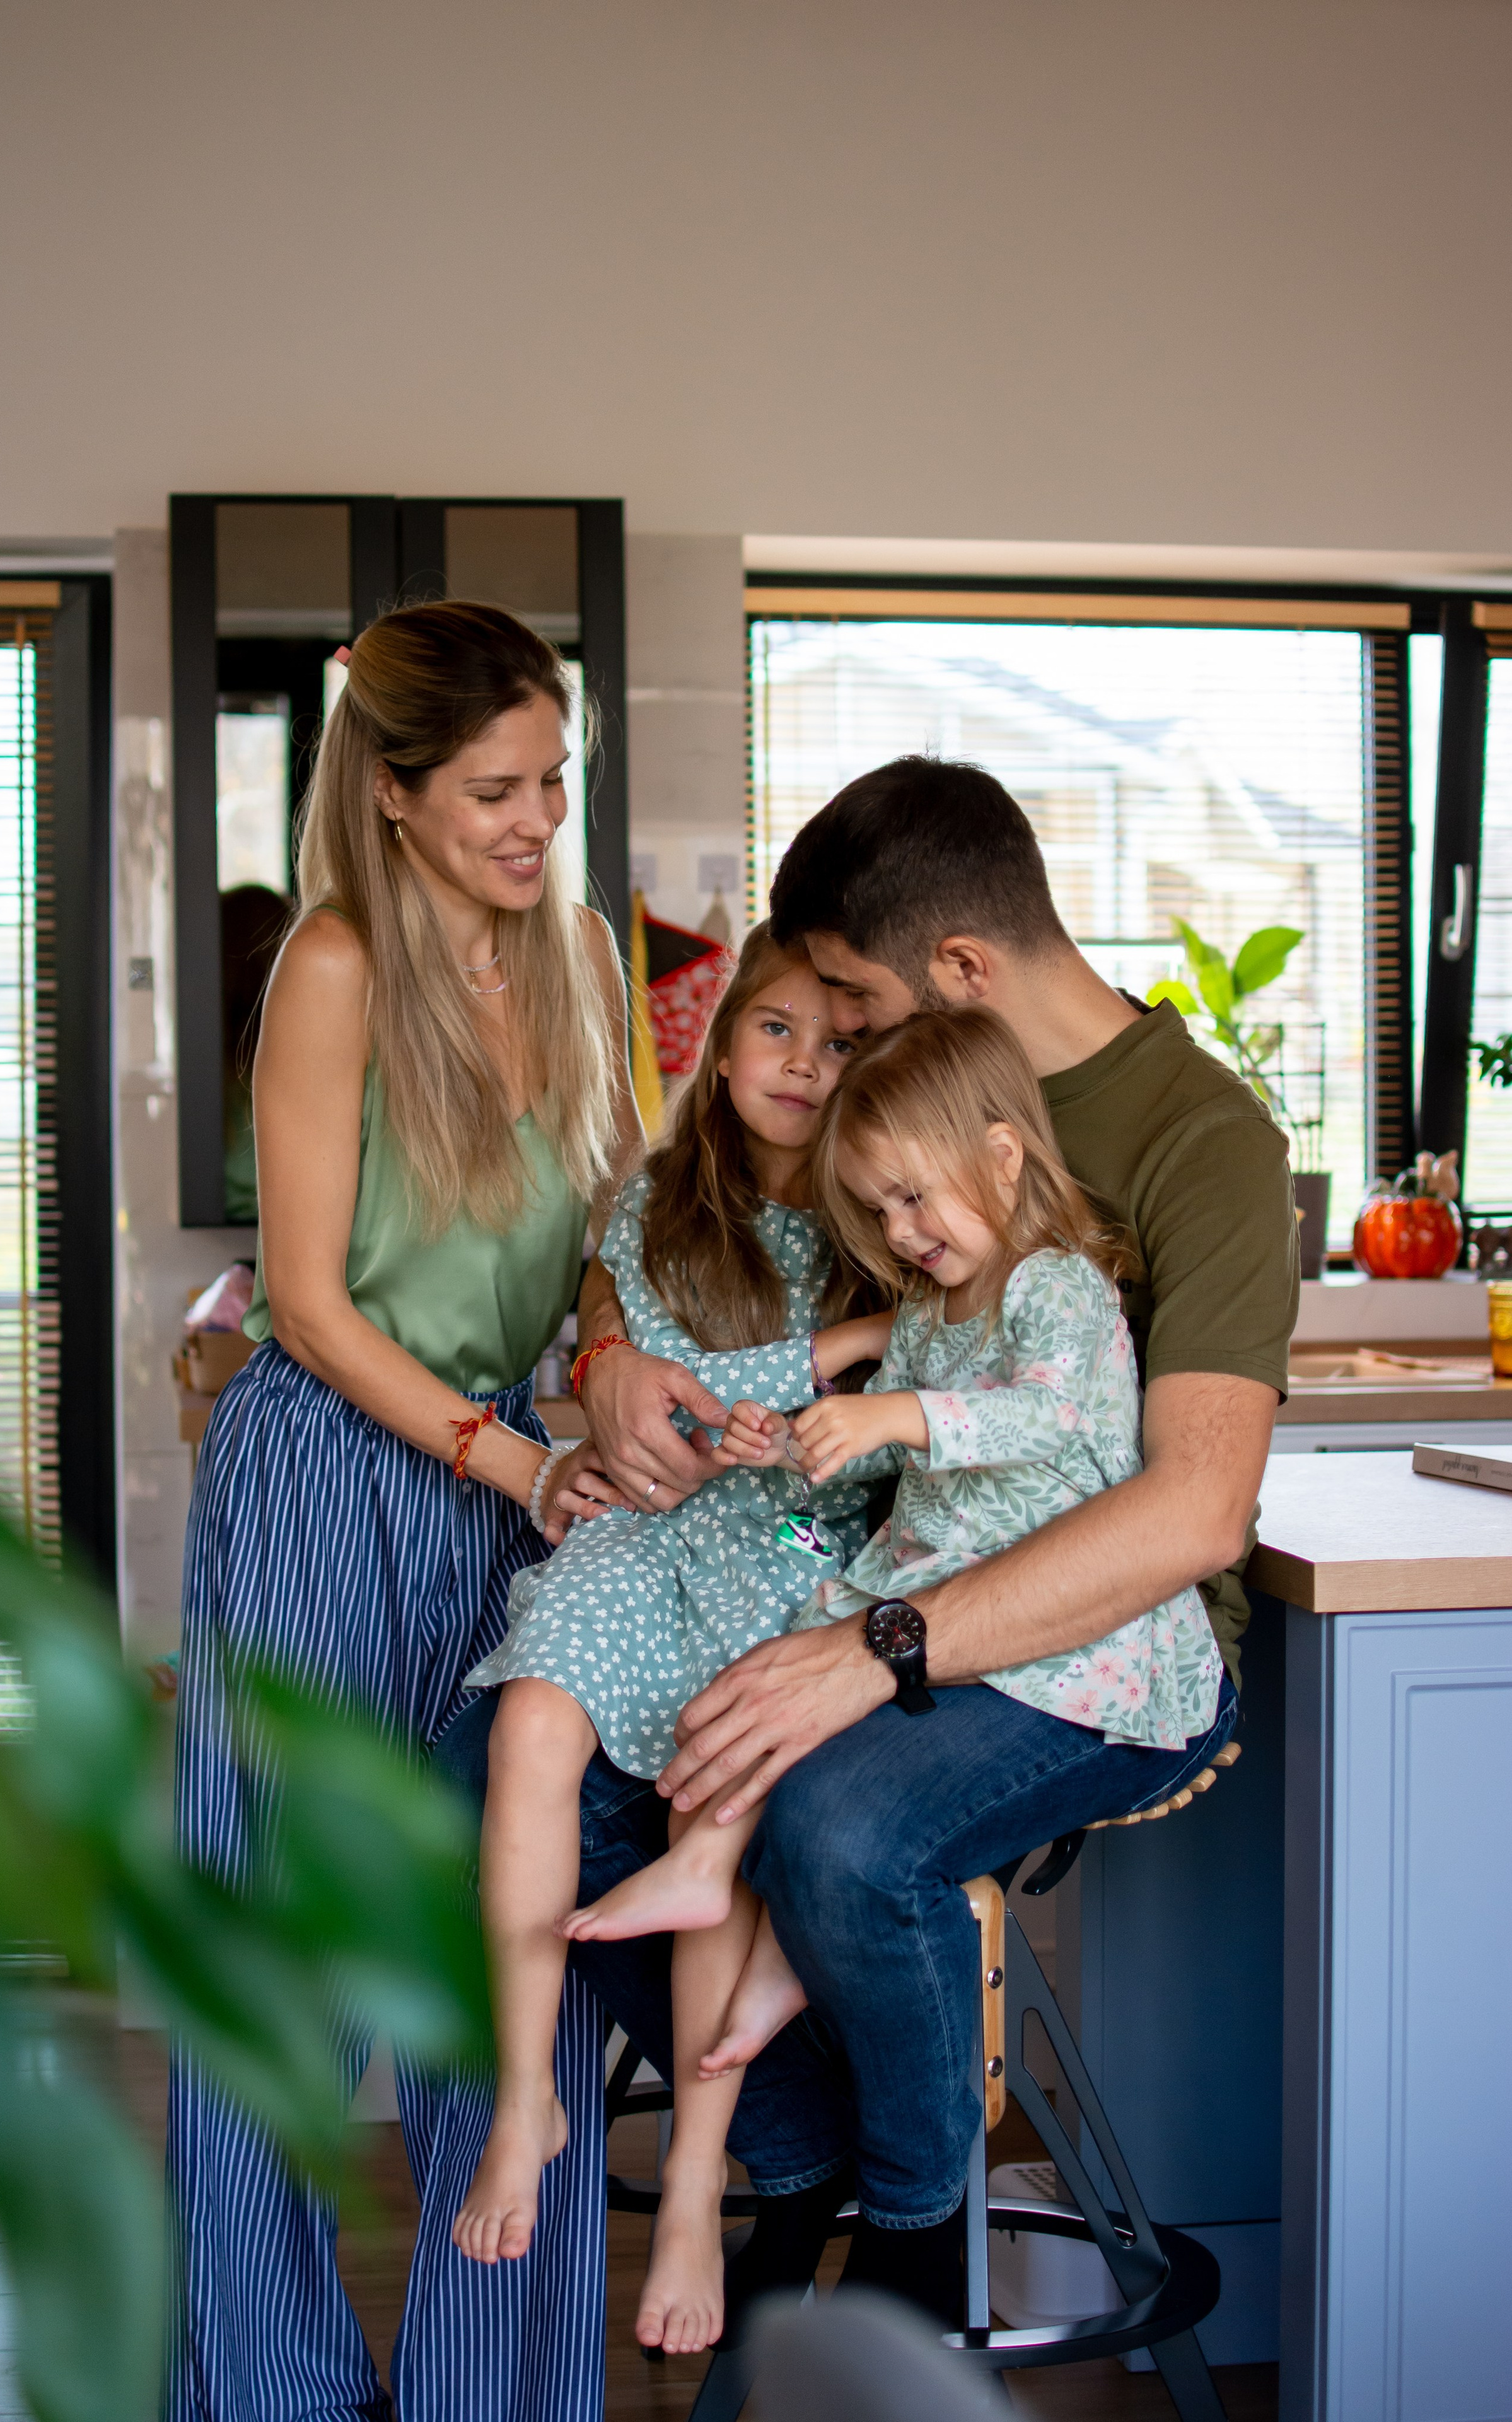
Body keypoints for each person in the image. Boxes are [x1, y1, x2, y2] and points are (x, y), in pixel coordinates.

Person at [442, 751, 1296, 2336]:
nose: (834, 1047)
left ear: (957, 976)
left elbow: (1189, 1512)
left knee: (830, 1828)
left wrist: (869, 1650)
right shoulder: (896, 1129)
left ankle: (915, 2254)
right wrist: (613, 1356)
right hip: (873, 1568)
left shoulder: (1199, 1143)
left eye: (854, 1004)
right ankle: (800, 2153)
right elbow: (726, 1272)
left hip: (1096, 1643)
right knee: (495, 1762)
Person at [166, 601, 639, 2422]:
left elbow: (610, 1235)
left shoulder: (585, 958)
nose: (538, 823)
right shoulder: (339, 969)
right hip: (329, 1484)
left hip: (517, 1480)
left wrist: (597, 1370)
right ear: (394, 789)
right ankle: (272, 2390)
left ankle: (491, 2389)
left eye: (557, 784)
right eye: (499, 790)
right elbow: (306, 1302)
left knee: (513, 1953)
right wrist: (512, 1458)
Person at [453, 925, 889, 2355]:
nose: (803, 1067)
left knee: (717, 1792)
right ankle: (529, 2095)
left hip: (786, 1561)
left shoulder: (881, 1218)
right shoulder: (654, 1204)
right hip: (652, 1540)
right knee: (526, 1724)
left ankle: (700, 2175)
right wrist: (820, 1360)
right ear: (722, 1038)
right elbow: (658, 1407)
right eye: (775, 1030)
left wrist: (802, 1404)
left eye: (837, 1047)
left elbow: (882, 1438)